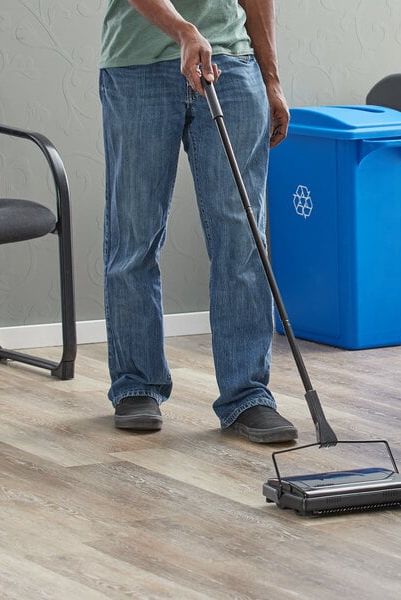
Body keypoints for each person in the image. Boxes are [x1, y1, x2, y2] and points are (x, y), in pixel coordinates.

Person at [99, 0, 297, 443]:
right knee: (135, 234)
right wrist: (183, 30)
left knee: (242, 240)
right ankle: (136, 385)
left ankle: (248, 395)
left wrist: (269, 79)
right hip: (138, 69)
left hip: (231, 65)